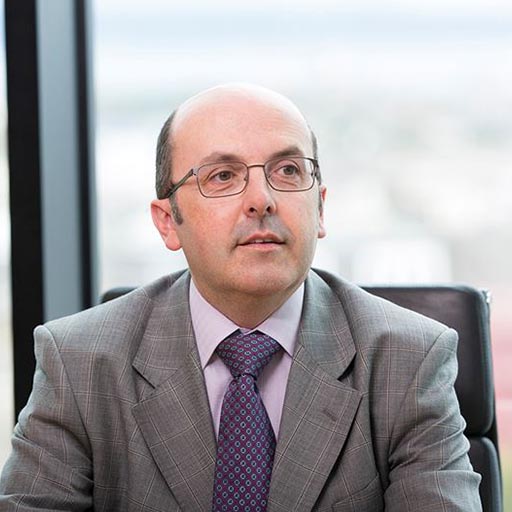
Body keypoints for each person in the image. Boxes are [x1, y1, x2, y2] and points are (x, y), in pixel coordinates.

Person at [0, 83, 482, 511]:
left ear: (319, 209)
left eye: (287, 170)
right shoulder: (80, 361)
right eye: (222, 177)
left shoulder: (409, 360)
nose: (261, 200)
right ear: (168, 222)